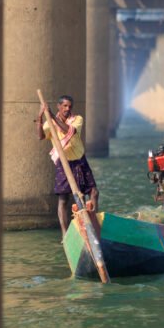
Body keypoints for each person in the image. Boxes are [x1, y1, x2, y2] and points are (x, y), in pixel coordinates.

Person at [36, 95, 99, 240]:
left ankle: (94, 225)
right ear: (59, 106)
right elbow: (40, 136)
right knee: (63, 199)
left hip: (79, 160)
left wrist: (51, 114)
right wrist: (40, 117)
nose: (67, 109)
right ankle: (65, 233)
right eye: (64, 106)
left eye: (69, 106)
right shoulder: (50, 122)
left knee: (94, 192)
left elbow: (68, 132)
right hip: (63, 163)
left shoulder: (77, 119)